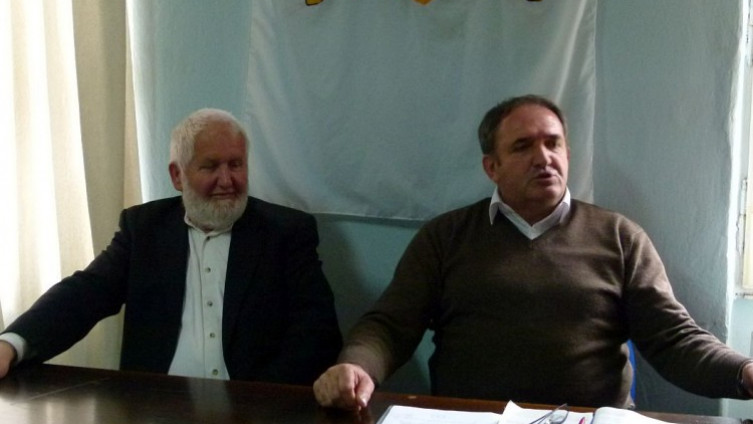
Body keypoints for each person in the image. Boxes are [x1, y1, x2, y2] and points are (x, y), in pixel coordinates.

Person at [313, 94, 753, 409]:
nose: (543, 158)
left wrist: (743, 372)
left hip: (586, 420)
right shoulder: (445, 237)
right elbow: (390, 326)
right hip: (473, 419)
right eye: (522, 146)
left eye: (553, 142)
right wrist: (357, 368)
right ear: (492, 167)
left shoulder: (619, 236)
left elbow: (674, 339)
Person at [0, 108, 342, 385]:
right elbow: (85, 294)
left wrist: (257, 403)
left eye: (236, 164)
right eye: (211, 166)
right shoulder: (143, 229)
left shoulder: (285, 233)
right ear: (177, 175)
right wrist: (11, 344)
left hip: (254, 409)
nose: (227, 180)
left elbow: (317, 333)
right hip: (157, 406)